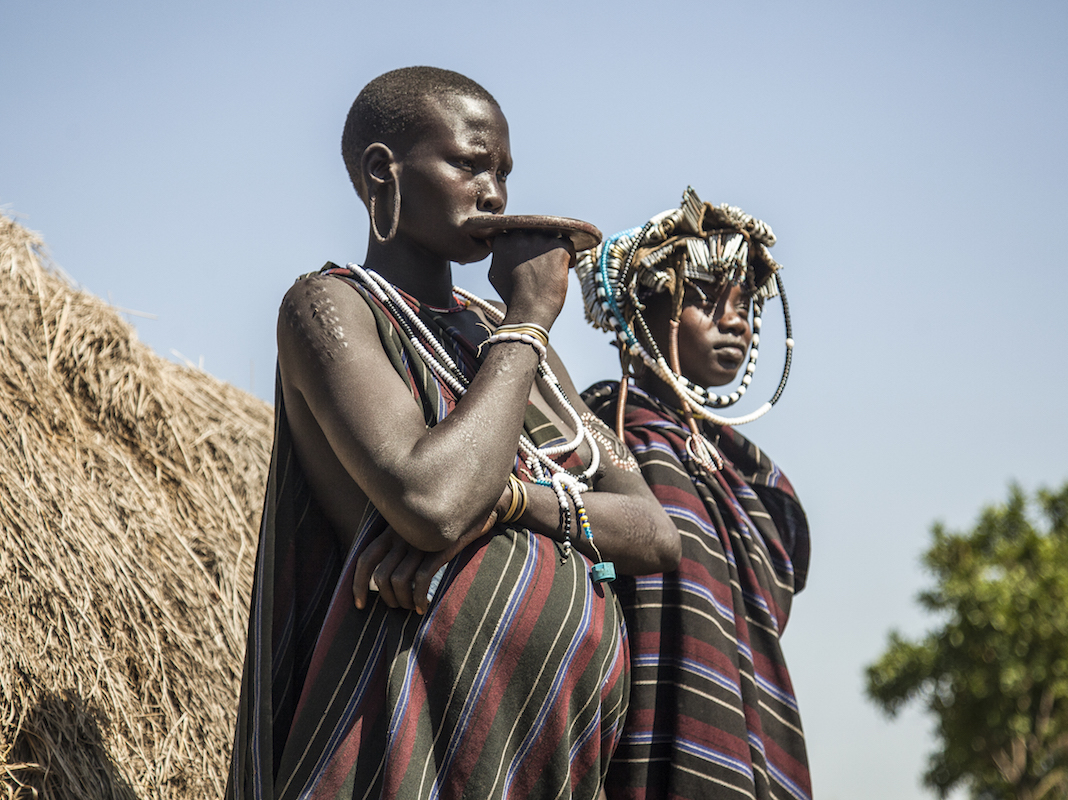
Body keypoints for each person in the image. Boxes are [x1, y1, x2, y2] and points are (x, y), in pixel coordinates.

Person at [226, 67, 680, 800]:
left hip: (547, 745)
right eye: (470, 164)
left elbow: (654, 533)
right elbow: (432, 498)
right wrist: (531, 317)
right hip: (412, 729)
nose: (495, 194)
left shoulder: (504, 341)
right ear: (383, 172)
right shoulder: (330, 308)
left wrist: (510, 504)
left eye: (503, 171)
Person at [577, 187, 813, 800]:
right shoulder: (602, 436)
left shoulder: (747, 474)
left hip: (745, 733)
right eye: (707, 300)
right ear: (642, 309)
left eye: (744, 304)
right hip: (635, 740)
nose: (735, 320)